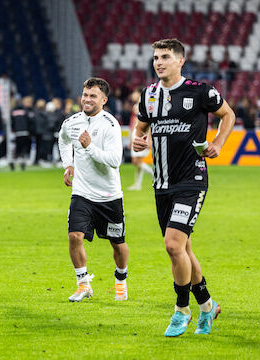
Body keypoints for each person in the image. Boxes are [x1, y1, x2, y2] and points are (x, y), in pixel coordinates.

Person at [132, 39, 235, 337]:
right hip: (161, 183)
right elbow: (140, 129)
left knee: (173, 245)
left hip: (192, 179)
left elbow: (228, 115)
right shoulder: (148, 95)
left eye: (165, 57)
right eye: (155, 58)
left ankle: (181, 311)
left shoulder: (200, 90)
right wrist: (138, 141)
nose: (158, 62)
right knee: (184, 249)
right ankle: (207, 306)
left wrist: (217, 144)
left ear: (180, 61)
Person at [58, 77, 129, 303]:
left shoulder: (110, 125)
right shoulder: (72, 122)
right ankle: (83, 285)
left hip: (109, 195)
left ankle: (120, 281)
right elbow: (63, 140)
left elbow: (115, 160)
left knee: (117, 244)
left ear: (104, 100)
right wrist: (68, 164)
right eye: (85, 95)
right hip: (82, 193)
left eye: (93, 96)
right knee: (74, 236)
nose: (87, 100)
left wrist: (89, 147)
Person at [10, 96, 35, 170]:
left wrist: (14, 129)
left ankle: (14, 161)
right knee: (24, 148)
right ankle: (22, 162)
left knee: (18, 148)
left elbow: (12, 122)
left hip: (17, 132)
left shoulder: (13, 111)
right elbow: (30, 122)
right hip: (25, 132)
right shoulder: (26, 111)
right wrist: (31, 132)